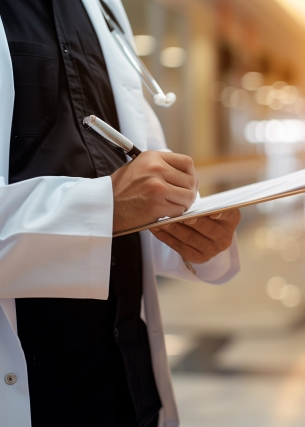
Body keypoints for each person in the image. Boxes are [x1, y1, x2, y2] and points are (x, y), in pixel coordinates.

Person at [0, 1, 241, 426]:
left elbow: (141, 181)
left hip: (128, 385)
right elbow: (115, 198)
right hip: (35, 393)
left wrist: (193, 231)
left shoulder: (102, 9)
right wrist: (102, 205)